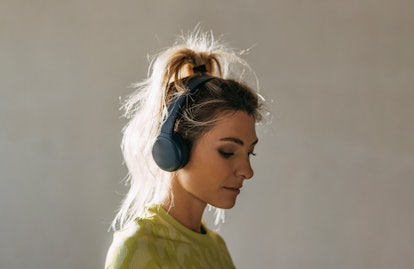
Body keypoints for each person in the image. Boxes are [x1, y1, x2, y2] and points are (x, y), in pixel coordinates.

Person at [105, 29, 264, 269]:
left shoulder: (216, 248)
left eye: (249, 153)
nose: (247, 171)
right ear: (174, 149)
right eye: (228, 152)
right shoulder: (140, 247)